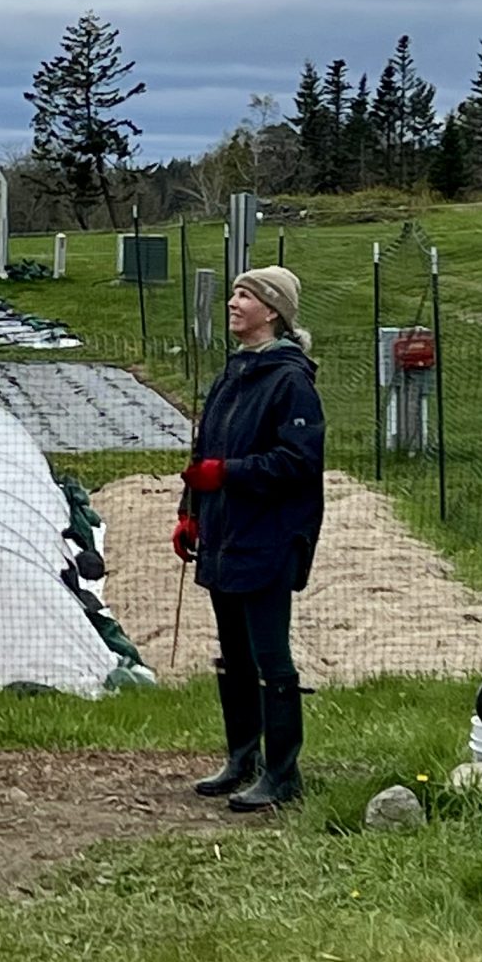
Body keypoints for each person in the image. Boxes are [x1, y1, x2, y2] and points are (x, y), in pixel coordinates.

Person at [172, 266, 323, 811]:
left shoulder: (290, 381)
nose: (233, 303)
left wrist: (229, 474)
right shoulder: (233, 374)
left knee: (269, 657)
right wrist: (191, 512)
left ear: (274, 311)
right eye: (234, 293)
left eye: (245, 295)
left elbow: (299, 461)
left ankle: (283, 774)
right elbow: (202, 448)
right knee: (233, 655)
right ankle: (242, 758)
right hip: (225, 532)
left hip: (269, 536)